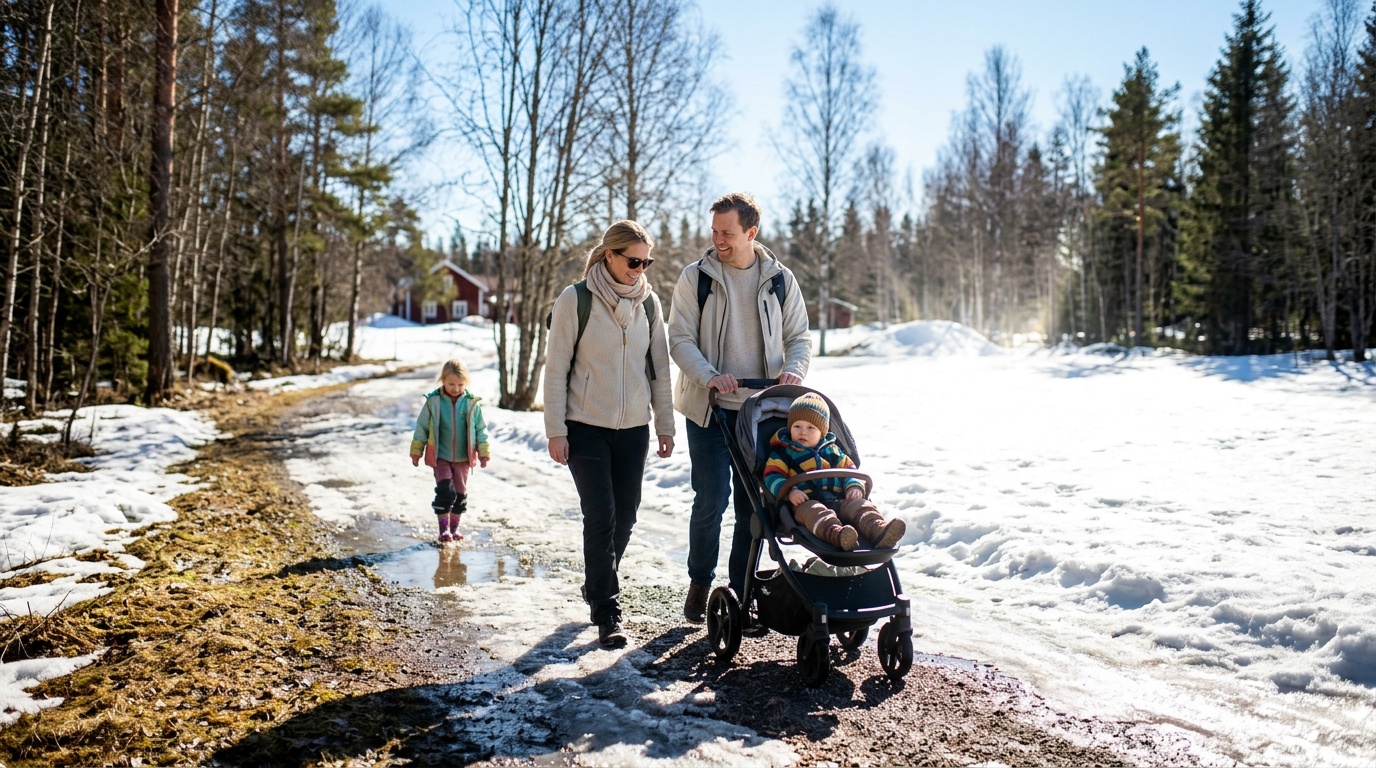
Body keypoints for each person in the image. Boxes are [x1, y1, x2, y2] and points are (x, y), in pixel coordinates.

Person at [668, 192, 811, 624]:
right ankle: (699, 583)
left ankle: (740, 591)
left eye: (727, 233)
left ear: (751, 232)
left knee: (752, 508)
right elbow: (679, 339)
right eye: (714, 231)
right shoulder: (698, 278)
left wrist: (794, 372)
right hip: (710, 407)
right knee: (710, 498)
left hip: (759, 413)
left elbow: (800, 337)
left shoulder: (780, 280)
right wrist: (710, 374)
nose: (718, 240)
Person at [543, 219, 675, 649]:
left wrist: (665, 425)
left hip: (633, 428)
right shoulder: (575, 300)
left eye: (646, 261)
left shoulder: (649, 304)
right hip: (586, 427)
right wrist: (555, 429)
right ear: (609, 256)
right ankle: (607, 610)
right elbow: (557, 367)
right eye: (633, 260)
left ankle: (597, 583)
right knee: (601, 515)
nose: (640, 268)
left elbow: (658, 370)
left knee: (628, 514)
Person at [763, 393, 906, 551]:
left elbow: (850, 469)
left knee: (860, 505)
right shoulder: (784, 452)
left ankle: (878, 530)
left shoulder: (833, 451)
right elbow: (772, 475)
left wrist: (854, 486)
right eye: (797, 426)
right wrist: (790, 491)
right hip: (804, 504)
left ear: (822, 432)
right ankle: (838, 535)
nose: (803, 432)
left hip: (840, 501)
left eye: (811, 427)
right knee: (815, 513)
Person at [410, 358, 491, 543]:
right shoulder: (433, 402)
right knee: (445, 491)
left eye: (460, 384)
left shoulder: (472, 404)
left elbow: (481, 430)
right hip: (441, 457)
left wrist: (484, 452)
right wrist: (417, 451)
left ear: (466, 383)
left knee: (460, 494)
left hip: (463, 458)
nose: (455, 388)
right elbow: (422, 428)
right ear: (442, 381)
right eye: (451, 384)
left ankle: (454, 529)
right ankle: (443, 530)